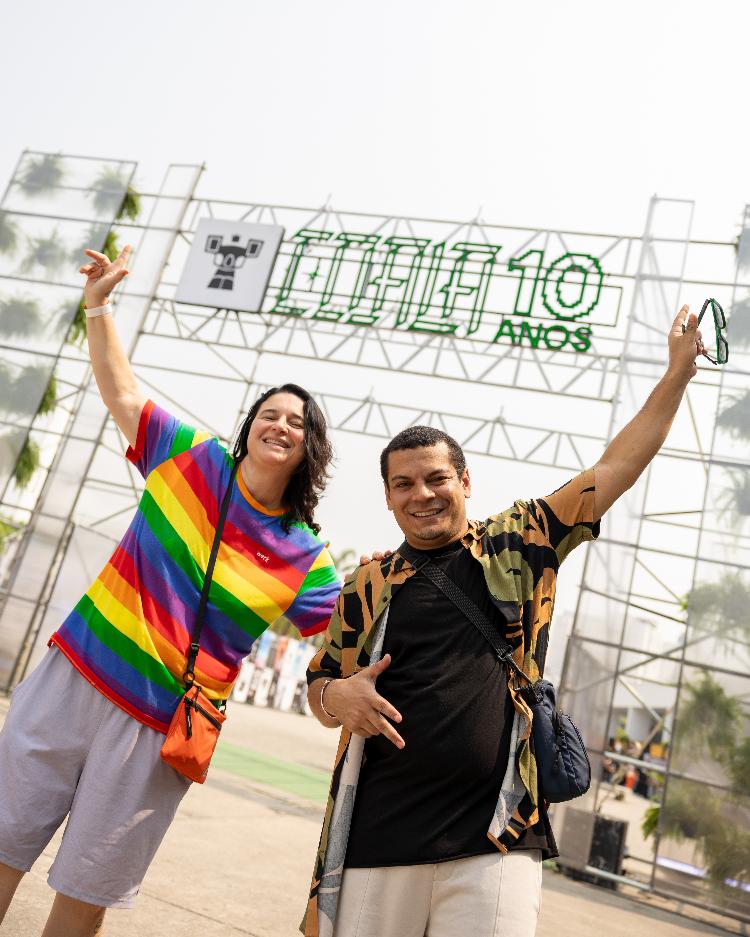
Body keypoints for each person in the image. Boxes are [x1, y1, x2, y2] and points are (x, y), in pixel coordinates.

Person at [303, 307, 707, 937]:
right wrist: (337, 694)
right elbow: (318, 688)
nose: (423, 494)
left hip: (499, 837)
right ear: (387, 496)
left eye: (438, 478)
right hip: (378, 839)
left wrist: (677, 374)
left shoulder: (521, 542)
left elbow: (614, 470)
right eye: (403, 484)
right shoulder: (368, 584)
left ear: (465, 481)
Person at [0, 246, 340, 936]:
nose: (281, 424)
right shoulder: (188, 455)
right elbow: (120, 388)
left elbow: (342, 641)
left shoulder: (309, 558)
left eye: (297, 422)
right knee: (1, 843)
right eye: (270, 413)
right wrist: (99, 304)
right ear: (248, 427)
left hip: (159, 731)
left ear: (311, 449)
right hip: (74, 678)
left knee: (85, 891)